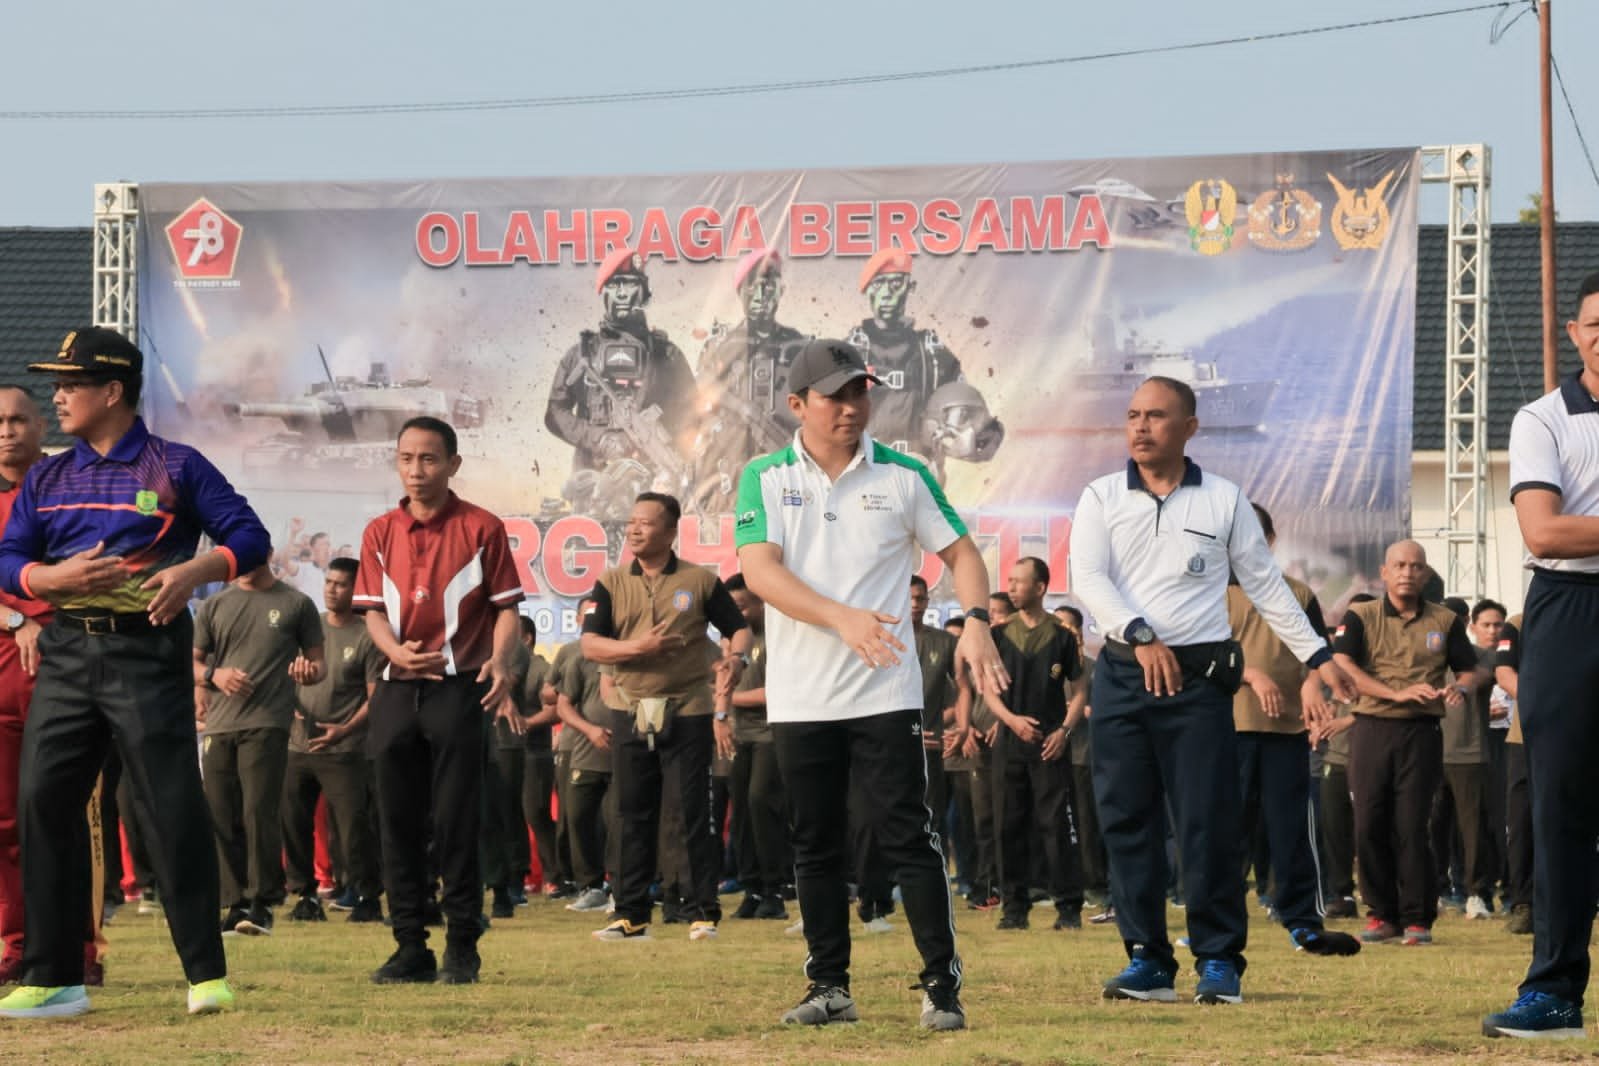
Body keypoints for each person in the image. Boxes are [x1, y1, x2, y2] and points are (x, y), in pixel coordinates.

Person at [736, 337, 1010, 1030]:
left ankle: (940, 988)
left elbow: (962, 553)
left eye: (859, 391)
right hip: (800, 697)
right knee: (815, 843)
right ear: (797, 404)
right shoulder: (762, 477)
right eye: (834, 395)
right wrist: (840, 618)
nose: (851, 406)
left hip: (884, 692)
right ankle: (829, 987)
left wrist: (974, 620)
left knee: (906, 837)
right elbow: (760, 572)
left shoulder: (903, 474)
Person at [0, 328, 271, 1018]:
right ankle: (55, 977)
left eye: (70, 383)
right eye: (55, 383)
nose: (57, 396)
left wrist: (194, 570)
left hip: (146, 656)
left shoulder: (174, 466)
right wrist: (43, 576)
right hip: (64, 655)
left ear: (112, 390)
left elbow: (249, 537)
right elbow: (6, 559)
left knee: (169, 806)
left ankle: (205, 975)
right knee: (41, 804)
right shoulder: (47, 476)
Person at [1068, 376, 1353, 1007]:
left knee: (1207, 825)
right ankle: (1146, 958)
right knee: (1126, 821)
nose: (1141, 427)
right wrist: (1139, 634)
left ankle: (1218, 959)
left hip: (1198, 680)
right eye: (1134, 415)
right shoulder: (1101, 495)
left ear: (1190, 427)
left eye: (1157, 416)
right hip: (1122, 671)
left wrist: (1318, 655)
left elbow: (1265, 585)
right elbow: (1086, 577)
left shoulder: (1223, 500)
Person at [354, 416, 524, 986]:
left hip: (459, 687)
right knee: (395, 819)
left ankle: (461, 946)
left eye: (428, 459)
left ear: (453, 464)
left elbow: (506, 608)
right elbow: (373, 610)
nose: (416, 470)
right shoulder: (379, 530)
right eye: (406, 458)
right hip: (397, 689)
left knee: (457, 820)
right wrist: (394, 655)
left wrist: (501, 664)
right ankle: (409, 946)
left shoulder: (482, 527)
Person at [1483, 270, 1599, 1039]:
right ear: (1573, 333)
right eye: (1595, 324)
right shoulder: (1543, 418)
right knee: (1559, 805)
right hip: (1569, 610)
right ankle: (1553, 990)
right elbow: (1544, 532)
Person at [580, 492, 750, 942]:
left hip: (688, 708)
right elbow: (592, 646)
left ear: (671, 532)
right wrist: (639, 648)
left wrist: (737, 661)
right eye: (632, 521)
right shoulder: (610, 582)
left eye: (647, 523)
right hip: (629, 709)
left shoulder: (699, 581)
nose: (636, 529)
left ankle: (702, 912)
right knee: (631, 812)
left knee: (690, 810)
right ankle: (631, 915)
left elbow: (738, 627)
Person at [1226, 504, 1360, 958]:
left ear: (1270, 540)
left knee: (1294, 832)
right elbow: (1199, 656)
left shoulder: (1297, 593)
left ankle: (1304, 923)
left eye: (1253, 535)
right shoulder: (1210, 592)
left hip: (1286, 731)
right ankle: (1218, 925)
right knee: (1227, 834)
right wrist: (1252, 675)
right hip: (1229, 729)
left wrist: (1310, 685)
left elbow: (1314, 655)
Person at [1331, 540, 1480, 949]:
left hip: (1421, 734)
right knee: (1368, 823)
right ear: (1384, 572)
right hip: (1371, 728)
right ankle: (1381, 914)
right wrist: (1392, 694)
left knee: (1413, 826)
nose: (1407, 573)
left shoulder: (1445, 621)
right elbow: (1343, 663)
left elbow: (1468, 670)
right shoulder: (1360, 615)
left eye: (1416, 566)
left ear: (1426, 574)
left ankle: (1417, 918)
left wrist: (1460, 691)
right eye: (1399, 565)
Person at [194, 562, 325, 936]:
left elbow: (318, 664)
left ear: (267, 554)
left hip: (268, 720)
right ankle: (233, 904)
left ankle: (261, 901)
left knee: (258, 810)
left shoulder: (296, 603)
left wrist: (307, 673)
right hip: (219, 724)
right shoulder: (214, 605)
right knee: (220, 813)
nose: (245, 564)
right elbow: (193, 662)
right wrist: (212, 677)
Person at [544, 248, 696, 517]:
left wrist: (660, 441)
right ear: (603, 291)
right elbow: (555, 413)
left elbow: (692, 413)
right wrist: (600, 439)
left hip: (653, 491)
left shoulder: (666, 355)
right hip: (593, 490)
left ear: (644, 292)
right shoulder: (582, 353)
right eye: (615, 285)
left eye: (631, 284)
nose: (623, 293)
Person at [280, 557, 385, 925]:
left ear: (355, 589)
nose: (332, 589)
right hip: (298, 746)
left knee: (354, 828)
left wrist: (346, 730)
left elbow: (376, 697)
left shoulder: (368, 635)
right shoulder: (309, 631)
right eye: (329, 582)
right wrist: (286, 704)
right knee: (293, 823)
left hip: (345, 749)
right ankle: (306, 896)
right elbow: (282, 675)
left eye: (341, 584)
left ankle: (368, 896)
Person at [984, 557, 1084, 932]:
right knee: (1008, 825)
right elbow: (988, 691)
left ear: (1040, 587)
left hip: (1050, 745)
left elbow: (1079, 687)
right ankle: (1014, 908)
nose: (1011, 587)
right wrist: (1010, 721)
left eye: (1018, 582)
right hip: (1010, 743)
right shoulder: (998, 634)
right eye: (1009, 580)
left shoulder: (1062, 635)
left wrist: (1065, 730)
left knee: (1057, 825)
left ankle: (1068, 908)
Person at [844, 248, 1002, 476]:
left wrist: (980, 436)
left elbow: (969, 416)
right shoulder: (848, 353)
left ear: (911, 287)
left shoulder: (932, 353)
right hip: (863, 476)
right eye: (879, 285)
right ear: (867, 290)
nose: (887, 294)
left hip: (920, 477)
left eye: (896, 284)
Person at [693, 249, 809, 513]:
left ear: (781, 290)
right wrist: (741, 409)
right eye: (752, 288)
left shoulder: (798, 345)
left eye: (768, 288)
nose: (760, 297)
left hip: (783, 464)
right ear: (740, 292)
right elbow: (701, 391)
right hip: (729, 471)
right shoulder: (721, 345)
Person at [1429, 599, 1504, 921]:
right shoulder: (1433, 657)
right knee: (1432, 828)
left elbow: (1484, 676)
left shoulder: (1485, 656)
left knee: (1473, 831)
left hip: (1470, 754)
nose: (1492, 630)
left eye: (1496, 624)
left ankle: (1478, 894)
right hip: (1431, 751)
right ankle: (1436, 891)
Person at [726, 574, 790, 921]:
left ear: (761, 602)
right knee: (743, 814)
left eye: (741, 606)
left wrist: (728, 698)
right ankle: (750, 888)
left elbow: (777, 690)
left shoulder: (781, 637)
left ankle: (774, 891)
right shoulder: (733, 642)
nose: (736, 614)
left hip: (771, 735)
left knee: (762, 804)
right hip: (740, 737)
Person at [550, 602, 615, 914]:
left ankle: (621, 885)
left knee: (619, 821)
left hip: (623, 754)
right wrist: (590, 730)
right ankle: (590, 886)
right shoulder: (577, 657)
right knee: (577, 819)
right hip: (585, 752)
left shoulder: (627, 654)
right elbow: (562, 705)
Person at [1492, 613, 1532, 935]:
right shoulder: (1519, 622)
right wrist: (1541, 701)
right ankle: (1524, 903)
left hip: (1583, 734)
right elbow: (1504, 673)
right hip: (1527, 735)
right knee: (1521, 822)